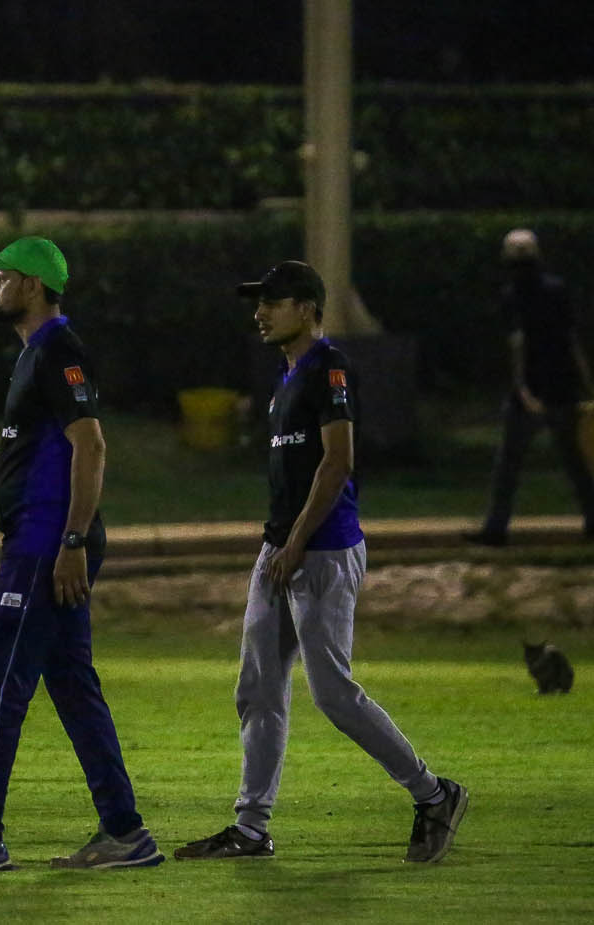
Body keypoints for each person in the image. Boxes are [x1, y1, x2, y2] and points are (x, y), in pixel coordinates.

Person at [174, 261, 468, 865]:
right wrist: (281, 546)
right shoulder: (285, 375)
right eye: (259, 303)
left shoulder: (329, 367)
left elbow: (338, 462)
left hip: (322, 550)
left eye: (273, 302)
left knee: (332, 693)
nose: (260, 313)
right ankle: (251, 829)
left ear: (308, 309)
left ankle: (434, 794)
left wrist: (298, 543)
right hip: (281, 548)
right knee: (258, 688)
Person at [0, 236, 162, 872]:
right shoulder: (35, 354)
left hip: (45, 544)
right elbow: (31, 451)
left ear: (33, 285)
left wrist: (72, 540)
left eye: (3, 277)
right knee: (72, 686)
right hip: (45, 541)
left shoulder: (59, 351)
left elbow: (91, 446)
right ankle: (125, 833)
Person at [466, 228, 594, 546]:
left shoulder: (512, 296)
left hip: (532, 389)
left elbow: (518, 345)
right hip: (562, 385)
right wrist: (589, 382)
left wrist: (522, 389)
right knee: (573, 457)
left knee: (509, 464)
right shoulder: (557, 290)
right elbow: (572, 340)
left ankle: (496, 528)